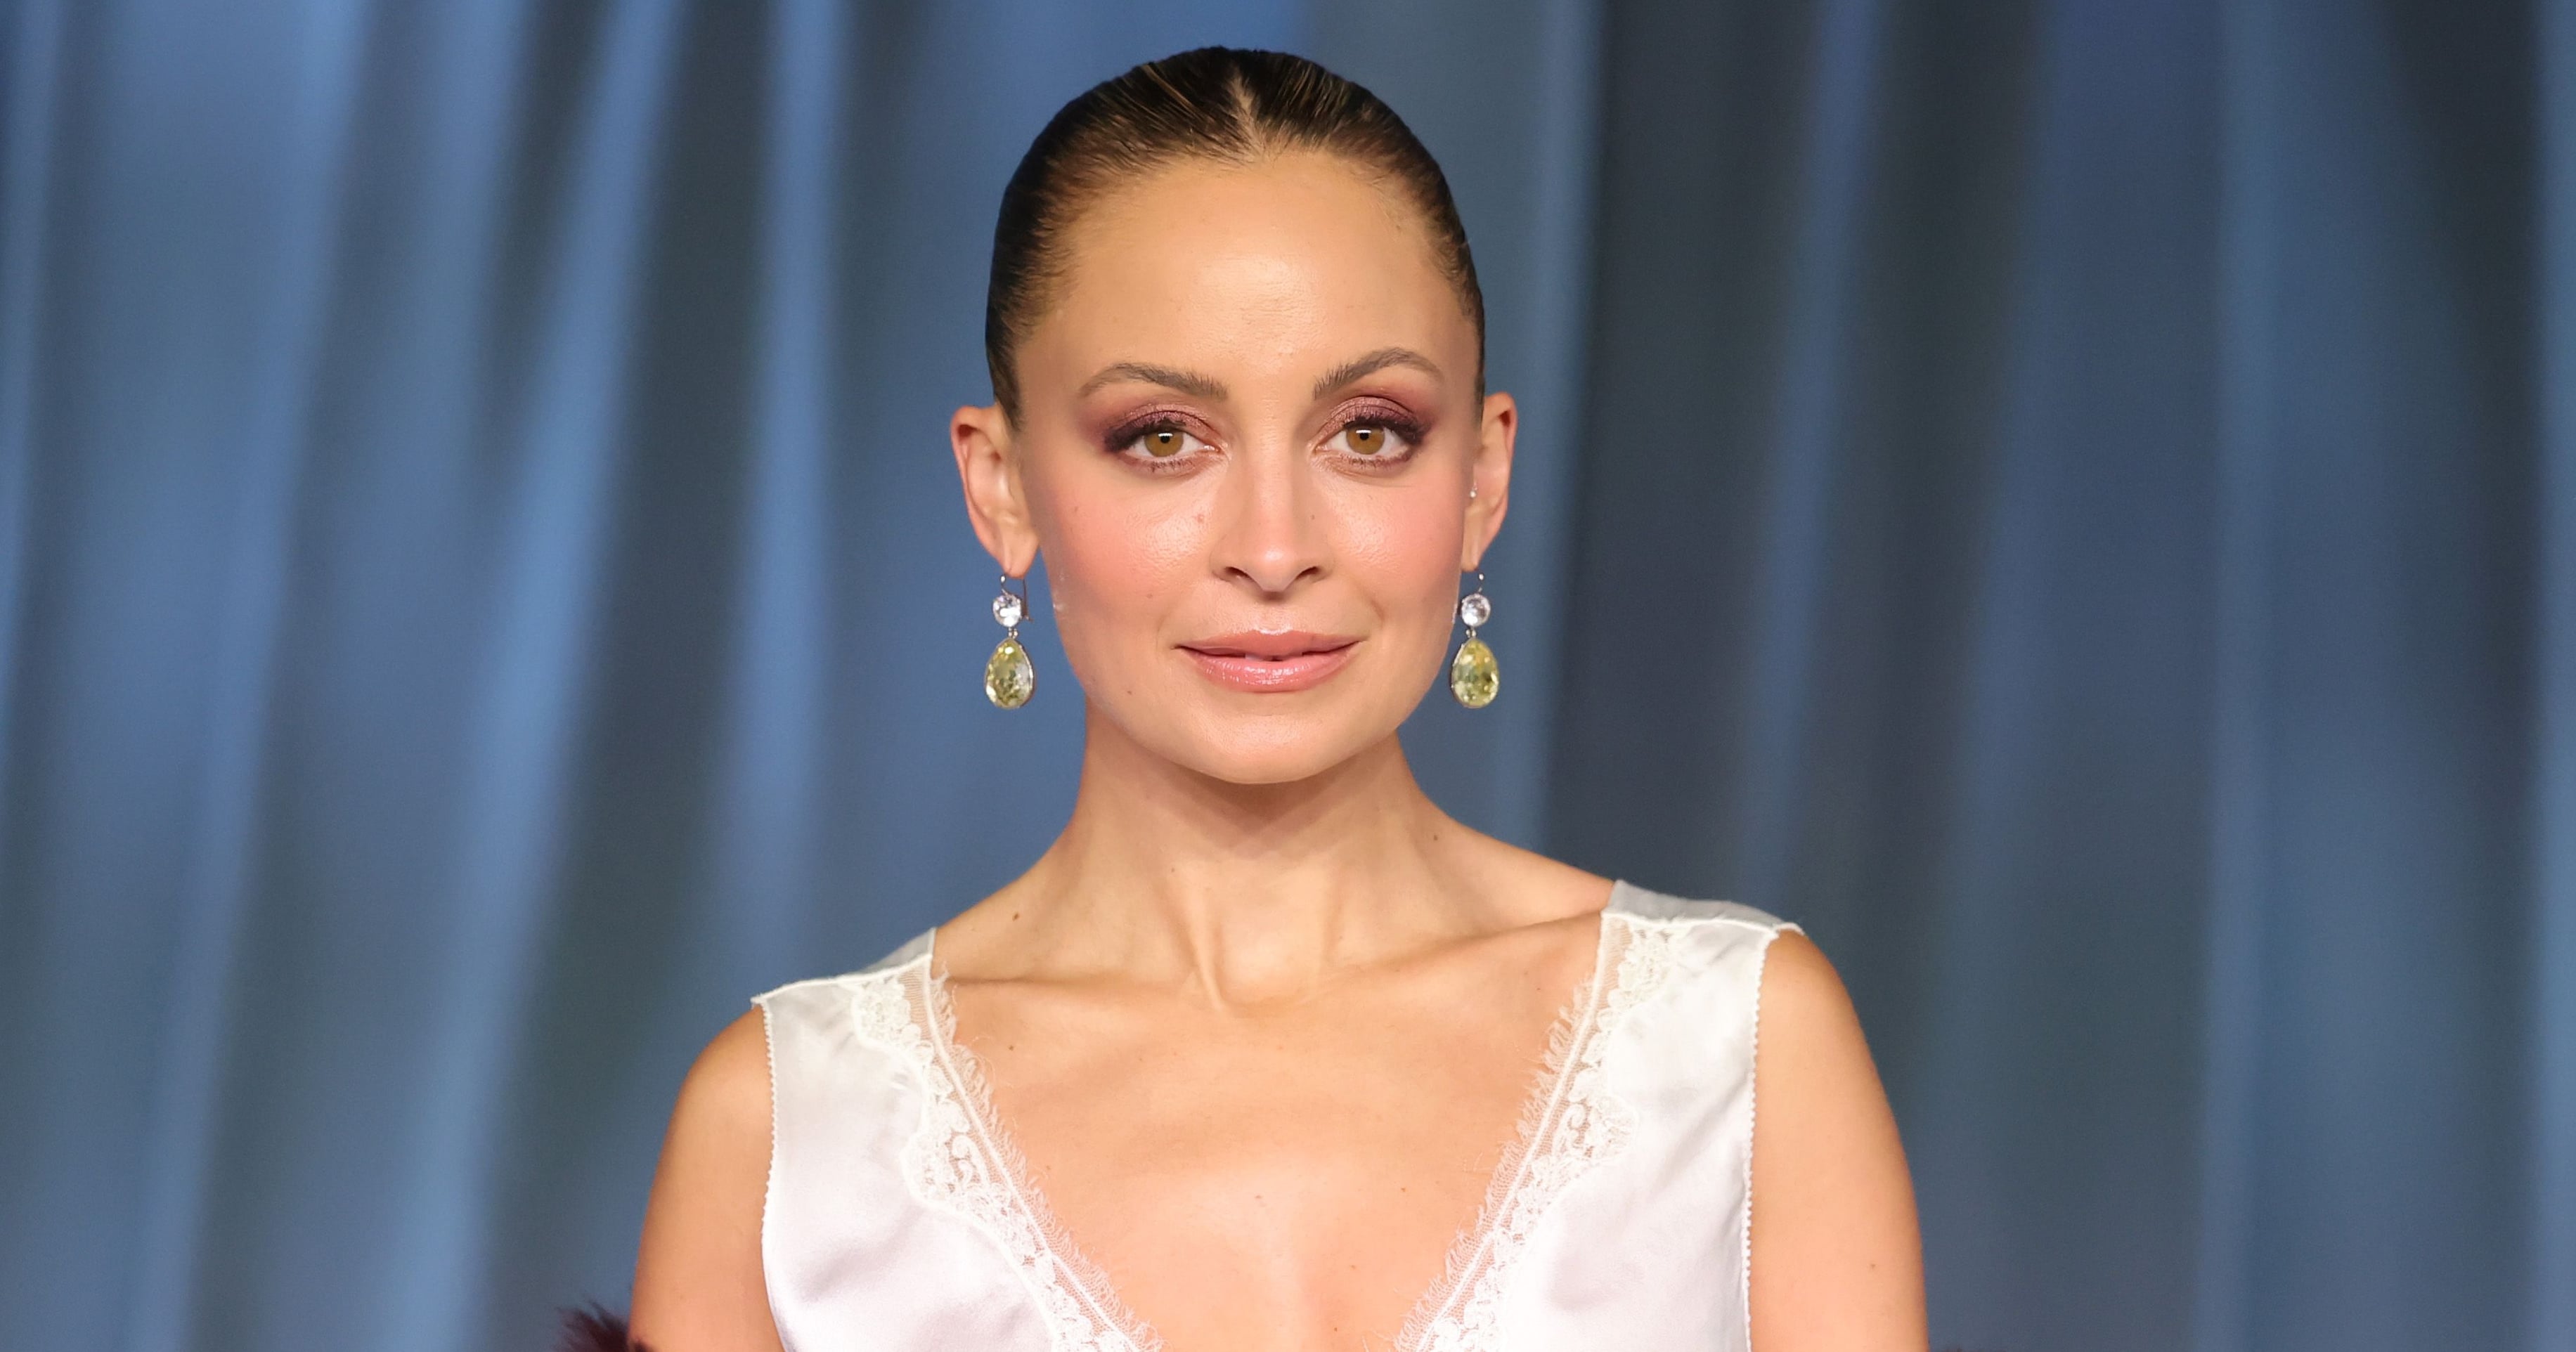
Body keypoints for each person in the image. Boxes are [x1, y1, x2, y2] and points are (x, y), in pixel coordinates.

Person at [624, 46, 1923, 1352]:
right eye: (1161, 438)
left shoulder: (1738, 1053)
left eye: (1367, 432)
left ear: (1481, 477)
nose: (1272, 545)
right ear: (1001, 487)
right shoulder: (790, 1134)